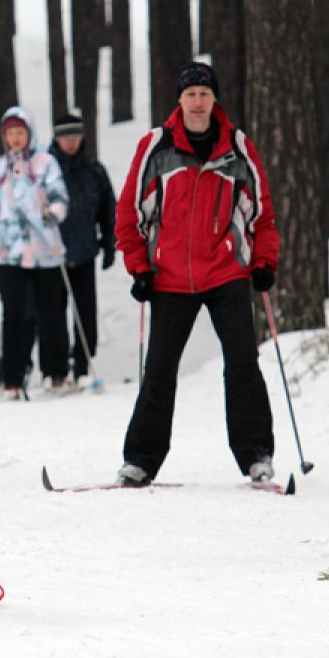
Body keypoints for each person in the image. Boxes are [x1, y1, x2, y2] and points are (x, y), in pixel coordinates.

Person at [114, 61, 280, 487]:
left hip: (226, 272)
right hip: (170, 277)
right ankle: (140, 460)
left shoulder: (237, 147)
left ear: (214, 99)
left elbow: (261, 214)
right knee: (159, 369)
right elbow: (129, 214)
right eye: (190, 94)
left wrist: (264, 262)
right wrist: (139, 268)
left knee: (243, 362)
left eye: (205, 93)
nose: (198, 102)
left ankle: (257, 456)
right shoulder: (157, 146)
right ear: (180, 100)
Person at [0, 106, 71, 399]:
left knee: (50, 312)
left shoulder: (45, 162)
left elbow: (59, 195)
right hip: (9, 251)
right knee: (12, 314)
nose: (15, 139)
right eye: (10, 133)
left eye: (20, 132)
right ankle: (12, 379)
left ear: (29, 133)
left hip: (44, 248)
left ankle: (56, 373)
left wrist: (54, 212)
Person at [48, 112, 117, 387]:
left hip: (85, 250)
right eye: (66, 136)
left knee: (85, 312)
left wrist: (109, 242)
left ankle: (82, 364)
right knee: (54, 312)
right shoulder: (46, 168)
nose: (71, 142)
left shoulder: (94, 169)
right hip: (51, 254)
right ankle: (57, 369)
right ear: (57, 138)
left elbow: (108, 208)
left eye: (75, 136)